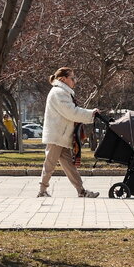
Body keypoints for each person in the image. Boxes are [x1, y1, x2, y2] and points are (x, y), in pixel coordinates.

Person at [37, 67, 99, 198]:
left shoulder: (63, 92)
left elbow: (72, 111)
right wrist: (90, 114)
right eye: (72, 78)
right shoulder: (58, 93)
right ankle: (42, 191)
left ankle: (81, 190)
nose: (74, 81)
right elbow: (72, 112)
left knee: (69, 166)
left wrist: (90, 114)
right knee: (50, 163)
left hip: (61, 136)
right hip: (57, 136)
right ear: (63, 79)